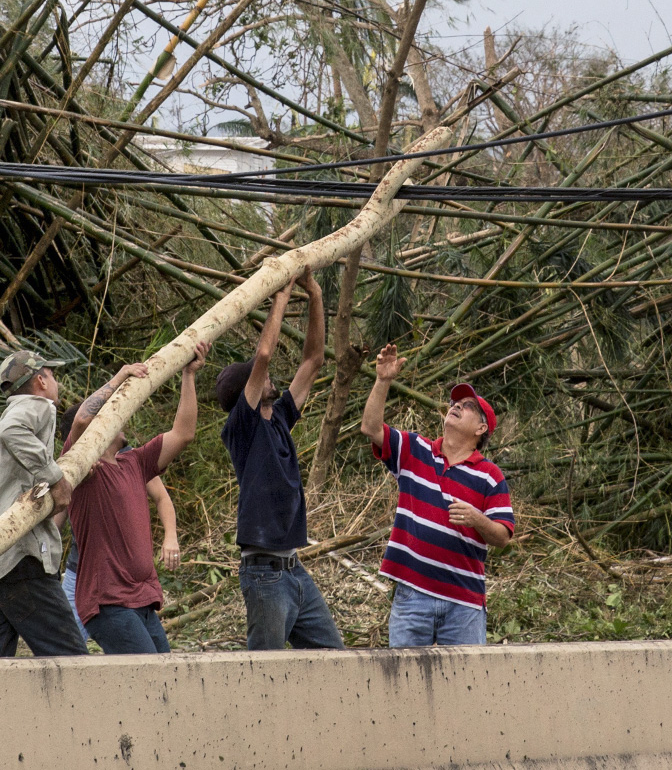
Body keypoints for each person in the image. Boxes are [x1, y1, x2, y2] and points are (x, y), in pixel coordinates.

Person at [212, 271, 344, 650]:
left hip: (294, 569)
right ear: (246, 393)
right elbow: (265, 353)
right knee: (263, 673)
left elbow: (314, 360)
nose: (270, 376)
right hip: (264, 574)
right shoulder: (244, 426)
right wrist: (282, 294)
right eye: (262, 376)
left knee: (333, 658)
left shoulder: (279, 417)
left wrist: (315, 293)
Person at [361, 344, 514, 647]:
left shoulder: (490, 476)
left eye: (468, 405)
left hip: (464, 604)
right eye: (455, 402)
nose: (456, 405)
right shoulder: (415, 450)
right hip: (412, 596)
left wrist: (476, 519)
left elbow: (502, 537)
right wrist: (383, 380)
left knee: (466, 689)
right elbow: (370, 427)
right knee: (405, 686)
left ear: (481, 428)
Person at [60, 346, 206, 653]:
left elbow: (183, 434)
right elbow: (83, 420)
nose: (121, 416)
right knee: (153, 683)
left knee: (165, 679)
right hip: (108, 603)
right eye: (113, 411)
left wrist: (188, 375)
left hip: (142, 600)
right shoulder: (83, 469)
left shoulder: (134, 462)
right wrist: (120, 376)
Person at [0, 348, 88, 658]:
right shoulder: (36, 405)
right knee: (73, 663)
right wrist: (56, 478)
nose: (55, 381)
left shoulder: (13, 412)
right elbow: (13, 431)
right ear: (42, 381)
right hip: (18, 559)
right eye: (52, 374)